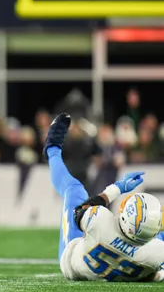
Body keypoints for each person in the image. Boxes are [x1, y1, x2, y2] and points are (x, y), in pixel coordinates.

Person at [45, 113, 164, 282]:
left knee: (74, 190)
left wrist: (116, 189)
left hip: (72, 263)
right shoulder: (157, 253)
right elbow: (156, 274)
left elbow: (80, 211)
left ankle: (52, 148)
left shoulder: (101, 221)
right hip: (124, 265)